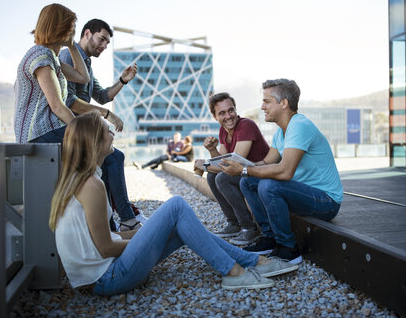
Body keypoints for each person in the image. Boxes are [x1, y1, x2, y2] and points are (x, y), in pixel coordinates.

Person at [49, 112, 300, 295]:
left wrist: (152, 232)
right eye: (106, 129)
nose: (112, 132)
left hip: (103, 274)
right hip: (107, 278)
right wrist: (150, 234)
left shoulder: (82, 179)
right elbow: (105, 248)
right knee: (177, 206)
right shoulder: (91, 186)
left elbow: (107, 237)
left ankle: (253, 262)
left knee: (183, 226)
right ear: (93, 140)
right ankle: (236, 271)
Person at [219, 79, 343, 264]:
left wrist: (244, 169)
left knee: (269, 185)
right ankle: (269, 238)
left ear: (284, 103)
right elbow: (266, 163)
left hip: (327, 201)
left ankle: (288, 248)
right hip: (303, 192)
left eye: (267, 101)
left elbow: (285, 172)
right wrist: (240, 167)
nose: (262, 107)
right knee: (247, 182)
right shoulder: (281, 132)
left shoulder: (299, 125)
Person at [59, 19, 145, 232]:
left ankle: (112, 224)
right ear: (87, 33)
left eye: (107, 42)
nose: (105, 46)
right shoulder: (68, 56)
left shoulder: (85, 62)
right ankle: (126, 219)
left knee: (111, 158)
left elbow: (102, 95)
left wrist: (123, 81)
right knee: (113, 157)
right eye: (102, 39)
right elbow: (68, 101)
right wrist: (107, 114)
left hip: (80, 132)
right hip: (66, 132)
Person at [194, 92, 270, 246]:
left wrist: (206, 165)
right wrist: (212, 150)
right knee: (212, 177)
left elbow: (232, 166)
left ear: (235, 110)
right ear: (215, 117)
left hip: (261, 173)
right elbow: (221, 159)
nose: (228, 116)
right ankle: (234, 223)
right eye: (222, 113)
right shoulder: (223, 131)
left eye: (231, 110)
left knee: (222, 178)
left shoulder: (246, 125)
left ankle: (249, 228)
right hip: (244, 174)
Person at [14, 3, 90, 144]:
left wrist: (72, 46)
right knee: (107, 151)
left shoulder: (50, 58)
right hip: (41, 133)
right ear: (60, 27)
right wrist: (83, 134)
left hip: (49, 130)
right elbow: (57, 106)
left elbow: (83, 77)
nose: (73, 31)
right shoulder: (41, 56)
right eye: (71, 26)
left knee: (105, 148)